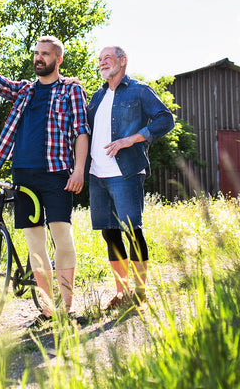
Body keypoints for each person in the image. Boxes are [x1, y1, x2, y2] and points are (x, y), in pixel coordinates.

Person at [0, 27, 90, 325]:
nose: (38, 58)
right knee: (35, 245)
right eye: (36, 53)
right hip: (23, 174)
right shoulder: (25, 89)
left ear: (58, 59)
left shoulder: (70, 90)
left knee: (63, 237)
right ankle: (49, 310)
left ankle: (67, 308)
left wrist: (78, 170)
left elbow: (81, 133)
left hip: (57, 174)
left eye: (45, 54)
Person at [87, 46, 174, 310]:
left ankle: (139, 293)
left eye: (108, 58)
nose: (102, 63)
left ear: (122, 61)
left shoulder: (139, 90)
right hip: (97, 175)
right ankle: (121, 292)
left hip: (125, 173)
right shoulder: (96, 96)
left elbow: (165, 119)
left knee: (132, 231)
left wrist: (131, 139)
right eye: (100, 59)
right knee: (110, 234)